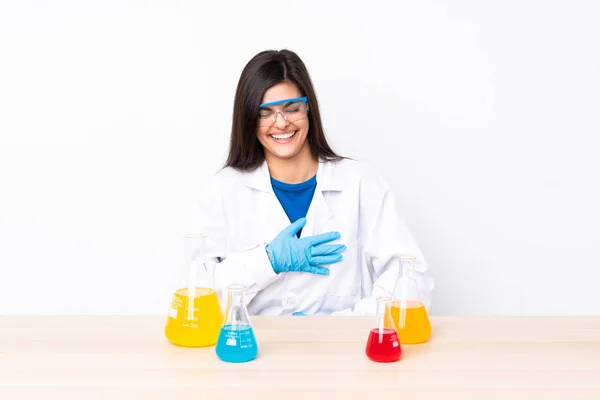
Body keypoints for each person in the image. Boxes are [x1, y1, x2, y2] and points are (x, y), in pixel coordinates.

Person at [193, 49, 434, 316]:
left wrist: (338, 327)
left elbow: (412, 283)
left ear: (308, 109)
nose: (281, 123)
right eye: (265, 113)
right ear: (249, 118)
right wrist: (267, 261)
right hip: (253, 350)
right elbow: (197, 299)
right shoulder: (223, 191)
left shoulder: (360, 183)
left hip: (341, 349)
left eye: (292, 108)